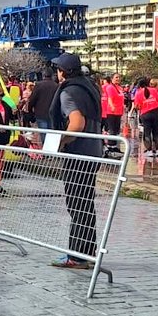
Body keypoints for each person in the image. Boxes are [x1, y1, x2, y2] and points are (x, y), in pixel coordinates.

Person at [46, 53, 103, 268]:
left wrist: (59, 141)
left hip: (78, 154)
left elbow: (76, 123)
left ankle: (76, 256)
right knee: (86, 204)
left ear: (62, 72)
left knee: (77, 205)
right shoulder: (90, 88)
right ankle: (87, 253)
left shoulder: (68, 92)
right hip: (94, 153)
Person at [133, 77, 158, 158]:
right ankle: (157, 151)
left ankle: (149, 151)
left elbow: (137, 106)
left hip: (145, 114)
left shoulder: (138, 92)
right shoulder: (154, 90)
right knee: (156, 133)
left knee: (147, 133)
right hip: (155, 113)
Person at [102, 74, 124, 157]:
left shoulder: (119, 88)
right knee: (112, 130)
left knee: (116, 130)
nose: (118, 79)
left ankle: (115, 147)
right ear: (112, 79)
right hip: (112, 112)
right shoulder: (110, 87)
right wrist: (112, 106)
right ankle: (110, 147)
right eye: (116, 77)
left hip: (119, 112)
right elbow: (110, 99)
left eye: (119, 77)